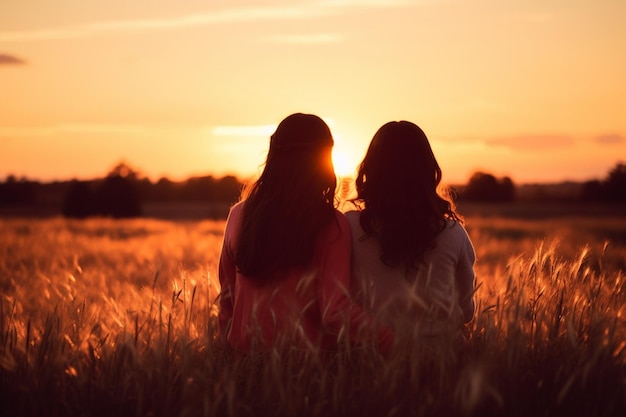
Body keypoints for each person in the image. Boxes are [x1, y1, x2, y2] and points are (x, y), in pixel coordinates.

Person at [218, 113, 393, 354]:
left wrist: (225, 359)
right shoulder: (331, 224)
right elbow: (335, 312)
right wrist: (394, 342)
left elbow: (227, 302)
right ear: (323, 160)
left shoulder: (239, 215)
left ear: (273, 156)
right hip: (305, 374)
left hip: (243, 366)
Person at [345, 121, 476, 348]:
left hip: (369, 362)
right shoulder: (453, 233)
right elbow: (466, 312)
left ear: (371, 170)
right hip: (440, 365)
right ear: (428, 171)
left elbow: (336, 302)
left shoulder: (350, 227)